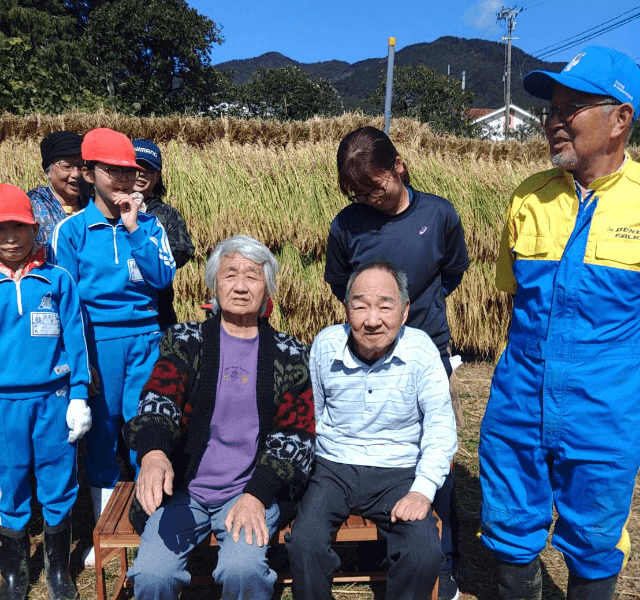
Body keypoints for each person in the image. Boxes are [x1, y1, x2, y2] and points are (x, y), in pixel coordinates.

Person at [479, 46, 640, 600]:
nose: (552, 122)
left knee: (595, 538)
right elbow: (513, 303)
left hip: (605, 410)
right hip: (518, 400)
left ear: (621, 117)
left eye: (570, 108)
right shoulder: (528, 197)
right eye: (550, 109)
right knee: (506, 530)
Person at [123, 235, 315, 600]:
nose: (240, 285)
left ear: (267, 290)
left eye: (252, 276)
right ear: (213, 285)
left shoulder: (289, 354)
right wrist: (153, 453)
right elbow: (158, 398)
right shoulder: (185, 340)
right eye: (230, 274)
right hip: (185, 490)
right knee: (152, 574)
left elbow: (298, 437)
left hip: (247, 492)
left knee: (243, 570)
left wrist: (257, 495)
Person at [324, 126, 469, 600]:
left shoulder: (438, 214)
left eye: (375, 185)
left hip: (428, 346)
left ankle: (441, 561)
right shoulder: (347, 224)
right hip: (367, 351)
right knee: (370, 442)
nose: (369, 197)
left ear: (399, 166)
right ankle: (376, 547)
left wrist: (415, 312)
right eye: (357, 192)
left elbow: (453, 269)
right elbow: (340, 282)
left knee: (434, 448)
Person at [287, 261, 457, 600]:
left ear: (405, 311)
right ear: (346, 308)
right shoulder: (325, 345)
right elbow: (314, 416)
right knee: (305, 541)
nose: (372, 319)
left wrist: (422, 490)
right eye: (360, 305)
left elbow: (441, 427)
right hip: (333, 468)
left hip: (398, 471)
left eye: (385, 305)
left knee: (424, 552)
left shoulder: (422, 351)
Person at [50, 127, 176, 567]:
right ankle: (105, 535)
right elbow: (67, 304)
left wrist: (134, 227)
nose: (123, 180)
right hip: (98, 344)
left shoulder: (151, 223)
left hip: (146, 340)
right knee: (102, 438)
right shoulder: (71, 231)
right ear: (88, 172)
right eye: (112, 170)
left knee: (146, 431)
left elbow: (162, 280)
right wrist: (83, 366)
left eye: (130, 171)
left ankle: (149, 530)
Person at [0, 184, 91, 600]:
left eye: (19, 227)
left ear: (34, 229)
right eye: (1, 228)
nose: (10, 237)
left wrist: (79, 394)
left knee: (57, 480)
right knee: (11, 482)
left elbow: (77, 339)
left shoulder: (57, 279)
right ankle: (15, 574)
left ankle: (58, 572)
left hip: (53, 400)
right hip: (4, 403)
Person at [132, 139, 195, 330]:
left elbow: (182, 251)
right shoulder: (107, 209)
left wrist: (148, 253)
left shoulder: (168, 215)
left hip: (159, 313)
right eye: (136, 167)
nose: (141, 174)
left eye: (149, 169)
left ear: (157, 177)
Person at [27, 131, 88, 256]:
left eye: (80, 165)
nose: (76, 174)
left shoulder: (93, 202)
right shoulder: (32, 205)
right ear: (48, 171)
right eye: (67, 166)